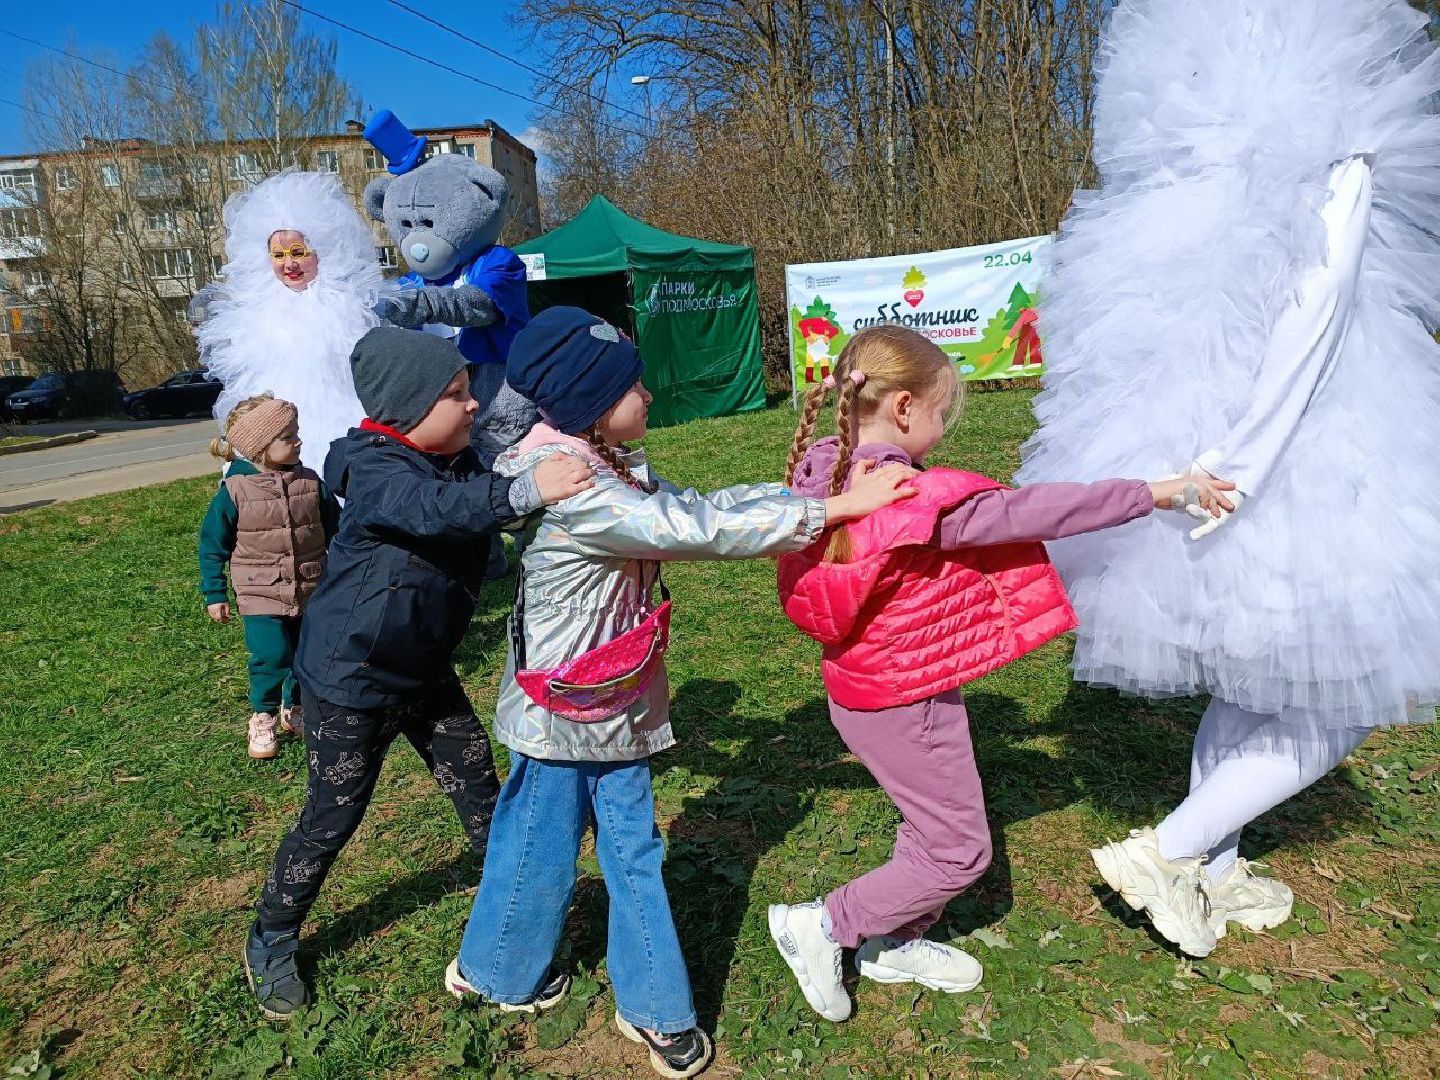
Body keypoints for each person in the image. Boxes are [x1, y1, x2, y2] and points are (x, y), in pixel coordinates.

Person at [1015, 0, 1440, 958]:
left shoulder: (1192, 154)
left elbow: (1135, 320)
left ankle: (1216, 862)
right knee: (1347, 695)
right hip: (1300, 448)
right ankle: (1171, 851)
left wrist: (1197, 454)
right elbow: (1316, 309)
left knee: (1256, 666)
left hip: (1197, 441)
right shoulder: (1340, 149)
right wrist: (1244, 462)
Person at [444, 307, 918, 1079]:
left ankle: (544, 980)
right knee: (569, 845)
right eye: (634, 387)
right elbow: (689, 530)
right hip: (566, 708)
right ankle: (605, 997)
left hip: (604, 700)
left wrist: (795, 493)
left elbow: (698, 506)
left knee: (587, 844)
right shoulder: (581, 493)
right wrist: (831, 511)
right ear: (591, 405)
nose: (650, 398)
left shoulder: (604, 461)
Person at [766, 324, 1233, 1020]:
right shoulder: (911, 498)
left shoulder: (825, 470)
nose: (940, 432)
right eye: (938, 415)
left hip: (870, 686)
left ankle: (892, 937)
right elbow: (1038, 510)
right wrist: (1158, 492)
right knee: (958, 852)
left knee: (930, 824)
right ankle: (827, 925)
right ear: (900, 409)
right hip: (905, 698)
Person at [243, 328, 595, 1020]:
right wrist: (524, 494)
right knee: (329, 820)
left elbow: (481, 504)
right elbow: (434, 512)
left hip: (425, 674)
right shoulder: (377, 471)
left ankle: (510, 935)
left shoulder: (457, 460)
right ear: (407, 409)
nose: (472, 406)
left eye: (469, 391)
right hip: (352, 685)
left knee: (485, 803)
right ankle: (271, 937)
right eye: (456, 395)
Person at [193, 170, 389, 475]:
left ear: (320, 251)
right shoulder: (253, 312)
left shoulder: (349, 305)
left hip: (342, 417)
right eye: (279, 255)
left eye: (298, 252)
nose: (289, 264)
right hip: (277, 426)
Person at [199, 394, 338, 759]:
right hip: (260, 591)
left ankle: (294, 708)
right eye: (288, 436)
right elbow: (212, 544)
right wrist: (215, 593)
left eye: (297, 433)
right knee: (272, 653)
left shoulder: (310, 481)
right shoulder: (235, 491)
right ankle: (262, 715)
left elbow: (336, 529)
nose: (299, 441)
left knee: (305, 653)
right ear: (260, 447)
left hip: (310, 584)